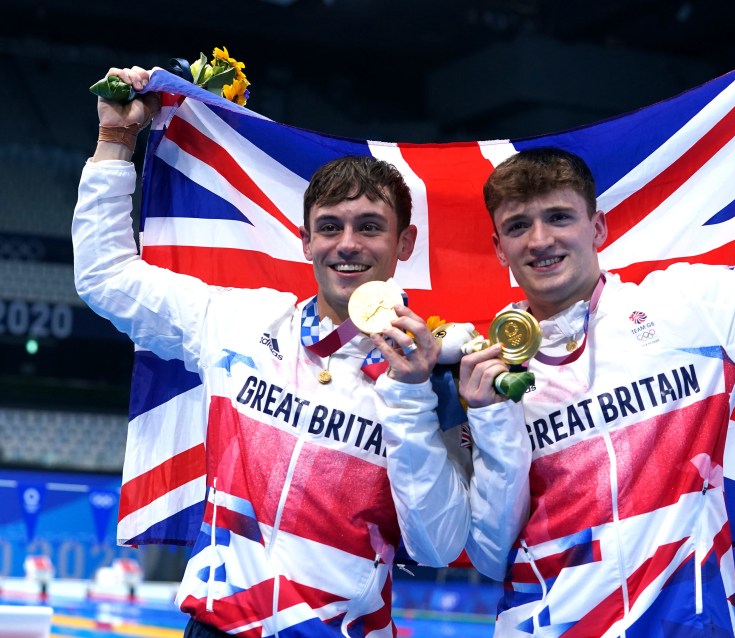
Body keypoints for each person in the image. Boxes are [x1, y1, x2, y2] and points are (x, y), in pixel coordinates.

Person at [459, 24, 735, 637]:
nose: (540, 240)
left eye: (559, 217)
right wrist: (486, 417)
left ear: (599, 228)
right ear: (499, 247)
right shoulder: (486, 371)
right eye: (518, 226)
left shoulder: (691, 308)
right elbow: (488, 548)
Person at [73, 66, 520, 637]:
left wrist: (410, 395)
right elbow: (106, 276)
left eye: (370, 227)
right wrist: (116, 140)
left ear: (404, 243)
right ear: (306, 240)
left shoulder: (441, 368)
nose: (348, 244)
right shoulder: (240, 322)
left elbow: (436, 545)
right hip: (218, 627)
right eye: (330, 227)